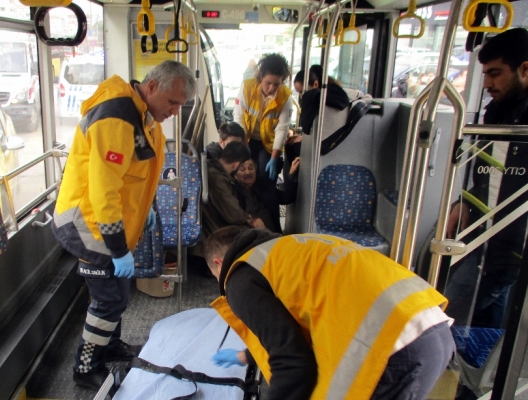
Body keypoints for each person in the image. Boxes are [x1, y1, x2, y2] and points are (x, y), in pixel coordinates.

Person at [51, 60, 196, 390]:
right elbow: (104, 189)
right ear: (153, 87)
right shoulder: (117, 116)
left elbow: (140, 176)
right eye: (172, 102)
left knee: (116, 293)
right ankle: (86, 366)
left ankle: (109, 345)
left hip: (108, 222)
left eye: (181, 105)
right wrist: (117, 249)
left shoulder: (144, 117)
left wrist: (148, 212)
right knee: (110, 299)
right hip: (87, 223)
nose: (175, 111)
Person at [205, 226, 455, 400]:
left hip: (393, 352)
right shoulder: (291, 248)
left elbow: (294, 366)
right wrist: (246, 356)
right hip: (432, 326)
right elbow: (306, 321)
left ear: (218, 264)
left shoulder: (239, 279)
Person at [444, 28, 528, 329]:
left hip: (506, 247)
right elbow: (487, 172)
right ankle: (471, 373)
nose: (488, 83)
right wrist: (464, 201)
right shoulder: (496, 113)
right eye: (485, 74)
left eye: (496, 73)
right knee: (483, 329)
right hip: (480, 235)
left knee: (443, 320)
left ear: (525, 69)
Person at [233, 53, 293, 183]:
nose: (271, 88)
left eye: (277, 84)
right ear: (261, 77)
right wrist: (243, 144)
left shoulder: (285, 97)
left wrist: (274, 158)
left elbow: (282, 129)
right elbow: (239, 117)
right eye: (268, 83)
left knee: (263, 175)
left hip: (268, 144)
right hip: (247, 139)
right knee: (244, 175)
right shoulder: (247, 88)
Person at [199, 141, 262, 244]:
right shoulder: (217, 179)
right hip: (211, 235)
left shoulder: (209, 167)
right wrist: (248, 218)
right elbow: (232, 213)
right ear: (236, 165)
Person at [234, 158, 299, 233]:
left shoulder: (265, 186)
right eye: (242, 169)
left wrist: (291, 174)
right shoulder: (233, 194)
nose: (248, 172)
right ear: (235, 175)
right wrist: (249, 221)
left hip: (274, 237)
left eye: (251, 168)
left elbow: (287, 197)